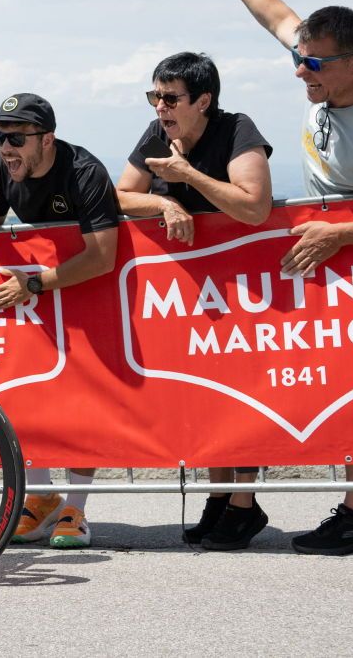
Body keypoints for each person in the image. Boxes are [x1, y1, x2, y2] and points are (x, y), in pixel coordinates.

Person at [220, 0, 353, 555]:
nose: (299, 70)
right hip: (337, 262)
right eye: (299, 57)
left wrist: (343, 233)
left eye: (314, 64)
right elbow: (275, 13)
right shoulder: (321, 61)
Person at [115, 52, 274, 550]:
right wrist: (164, 200)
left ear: (203, 101)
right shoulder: (156, 131)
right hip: (189, 292)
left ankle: (244, 505)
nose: (160, 106)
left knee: (243, 394)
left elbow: (255, 205)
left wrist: (188, 177)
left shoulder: (237, 129)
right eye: (154, 96)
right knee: (208, 393)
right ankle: (219, 498)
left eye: (170, 98)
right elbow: (119, 194)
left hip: (244, 287)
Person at [0, 92, 119, 550]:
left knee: (85, 397)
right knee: (31, 390)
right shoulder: (4, 165)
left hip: (88, 289)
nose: (5, 147)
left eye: (15, 138)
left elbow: (103, 256)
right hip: (45, 292)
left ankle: (77, 507)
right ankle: (43, 495)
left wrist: (32, 284)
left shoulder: (84, 172)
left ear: (47, 138)